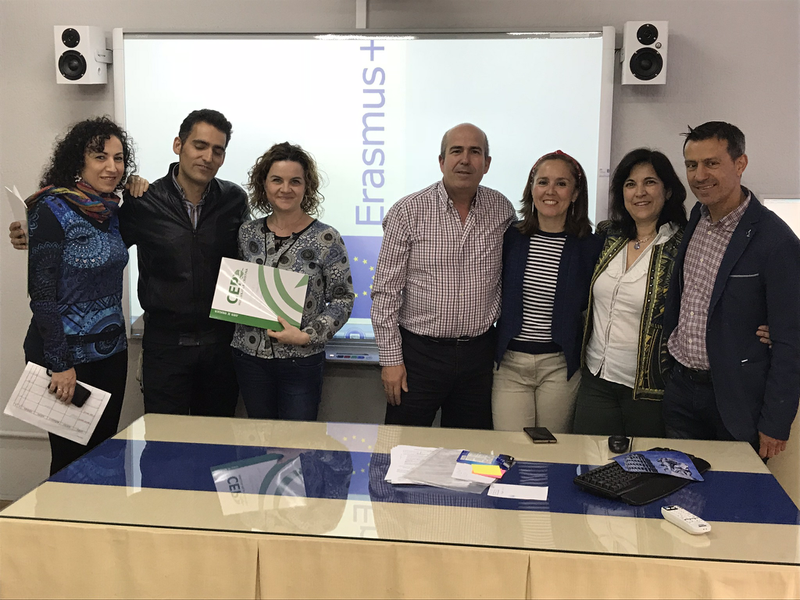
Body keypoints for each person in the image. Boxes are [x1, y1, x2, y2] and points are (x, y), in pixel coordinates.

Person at [663, 121, 800, 459]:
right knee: (678, 487)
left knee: (734, 492)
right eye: (691, 165)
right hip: (682, 392)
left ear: (740, 164)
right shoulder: (697, 217)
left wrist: (776, 421)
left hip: (736, 401)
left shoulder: (776, 240)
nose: (699, 175)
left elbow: (790, 340)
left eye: (711, 163)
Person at [371, 123, 515, 429]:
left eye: (475, 152)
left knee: (469, 452)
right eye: (456, 151)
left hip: (478, 358)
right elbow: (385, 293)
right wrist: (391, 360)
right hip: (418, 356)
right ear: (441, 161)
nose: (465, 160)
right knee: (401, 448)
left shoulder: (501, 209)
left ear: (487, 163)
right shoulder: (407, 211)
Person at [116, 109, 249, 417]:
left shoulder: (234, 200)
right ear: (179, 145)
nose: (208, 157)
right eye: (199, 146)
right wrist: (39, 232)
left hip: (220, 347)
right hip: (165, 347)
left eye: (218, 150)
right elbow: (100, 246)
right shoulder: (144, 201)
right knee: (165, 441)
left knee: (216, 441)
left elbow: (255, 255)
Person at [23, 116, 135, 474]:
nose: (111, 167)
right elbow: (41, 294)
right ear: (78, 161)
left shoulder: (111, 212)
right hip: (66, 357)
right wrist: (60, 364)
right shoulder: (51, 209)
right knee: (70, 462)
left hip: (111, 353)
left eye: (118, 158)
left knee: (105, 456)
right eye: (100, 157)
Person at [231, 142, 355, 420]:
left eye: (295, 181)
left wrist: (308, 335)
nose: (285, 189)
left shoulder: (327, 238)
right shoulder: (247, 233)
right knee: (259, 438)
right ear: (264, 185)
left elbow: (343, 298)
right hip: (249, 357)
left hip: (301, 358)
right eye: (277, 180)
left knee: (297, 441)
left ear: (306, 187)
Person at [572, 148, 687, 437]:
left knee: (645, 463)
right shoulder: (608, 236)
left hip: (649, 391)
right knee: (588, 459)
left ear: (668, 190)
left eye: (650, 182)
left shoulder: (683, 246)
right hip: (596, 379)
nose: (640, 192)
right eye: (630, 184)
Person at [493, 151, 601, 433]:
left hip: (560, 367)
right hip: (510, 366)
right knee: (512, 449)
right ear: (531, 189)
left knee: (553, 451)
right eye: (543, 182)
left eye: (561, 183)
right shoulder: (510, 238)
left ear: (575, 193)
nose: (550, 191)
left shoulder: (591, 247)